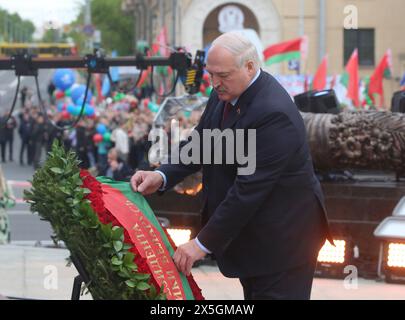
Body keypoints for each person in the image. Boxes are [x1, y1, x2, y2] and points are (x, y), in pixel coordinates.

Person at [130, 31, 332, 300]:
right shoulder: (226, 91)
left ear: (250, 67)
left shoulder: (273, 113)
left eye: (222, 75)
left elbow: (248, 190)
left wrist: (201, 244)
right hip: (253, 239)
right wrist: (162, 175)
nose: (214, 83)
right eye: (210, 74)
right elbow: (202, 142)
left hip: (283, 243)